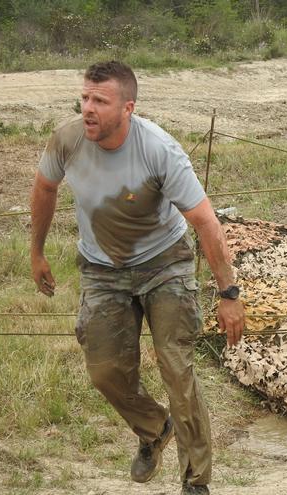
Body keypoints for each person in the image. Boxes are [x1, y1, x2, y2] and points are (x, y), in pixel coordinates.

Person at [30, 61, 244, 495]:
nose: (87, 108)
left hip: (163, 263)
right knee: (106, 372)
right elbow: (45, 188)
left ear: (127, 107)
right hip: (102, 268)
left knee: (177, 369)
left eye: (100, 101)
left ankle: (195, 482)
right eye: (85, 98)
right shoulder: (67, 139)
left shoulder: (159, 149)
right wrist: (36, 252)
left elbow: (205, 221)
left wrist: (229, 292)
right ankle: (154, 429)